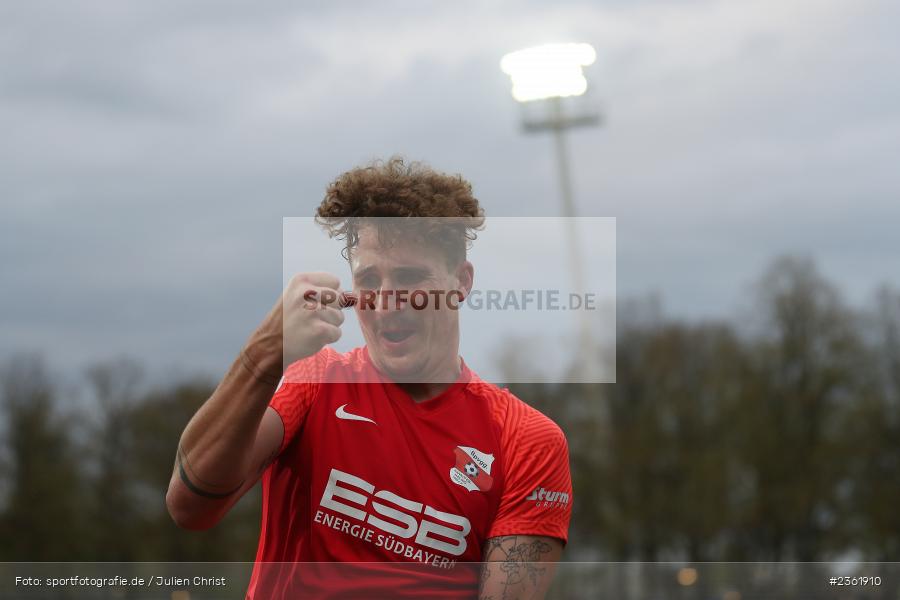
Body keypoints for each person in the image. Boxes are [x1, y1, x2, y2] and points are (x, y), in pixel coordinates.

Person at [165, 158, 573, 598]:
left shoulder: (526, 440)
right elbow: (190, 507)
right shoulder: (316, 383)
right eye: (368, 280)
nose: (385, 304)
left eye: (409, 278)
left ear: (461, 281)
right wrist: (264, 355)